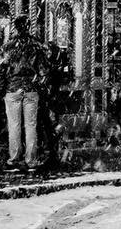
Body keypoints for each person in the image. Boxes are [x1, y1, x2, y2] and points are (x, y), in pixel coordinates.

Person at [0, 16, 43, 170]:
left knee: (14, 125)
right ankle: (31, 159)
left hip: (13, 88)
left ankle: (14, 158)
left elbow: (1, 67)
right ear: (28, 26)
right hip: (31, 88)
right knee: (31, 125)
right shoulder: (36, 45)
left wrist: (4, 84)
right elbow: (43, 68)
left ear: (15, 27)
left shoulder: (8, 46)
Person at [41, 39, 73, 168]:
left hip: (51, 100)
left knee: (50, 126)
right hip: (51, 100)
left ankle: (53, 154)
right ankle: (54, 153)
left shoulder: (52, 68)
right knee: (50, 127)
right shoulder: (54, 66)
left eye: (48, 51)